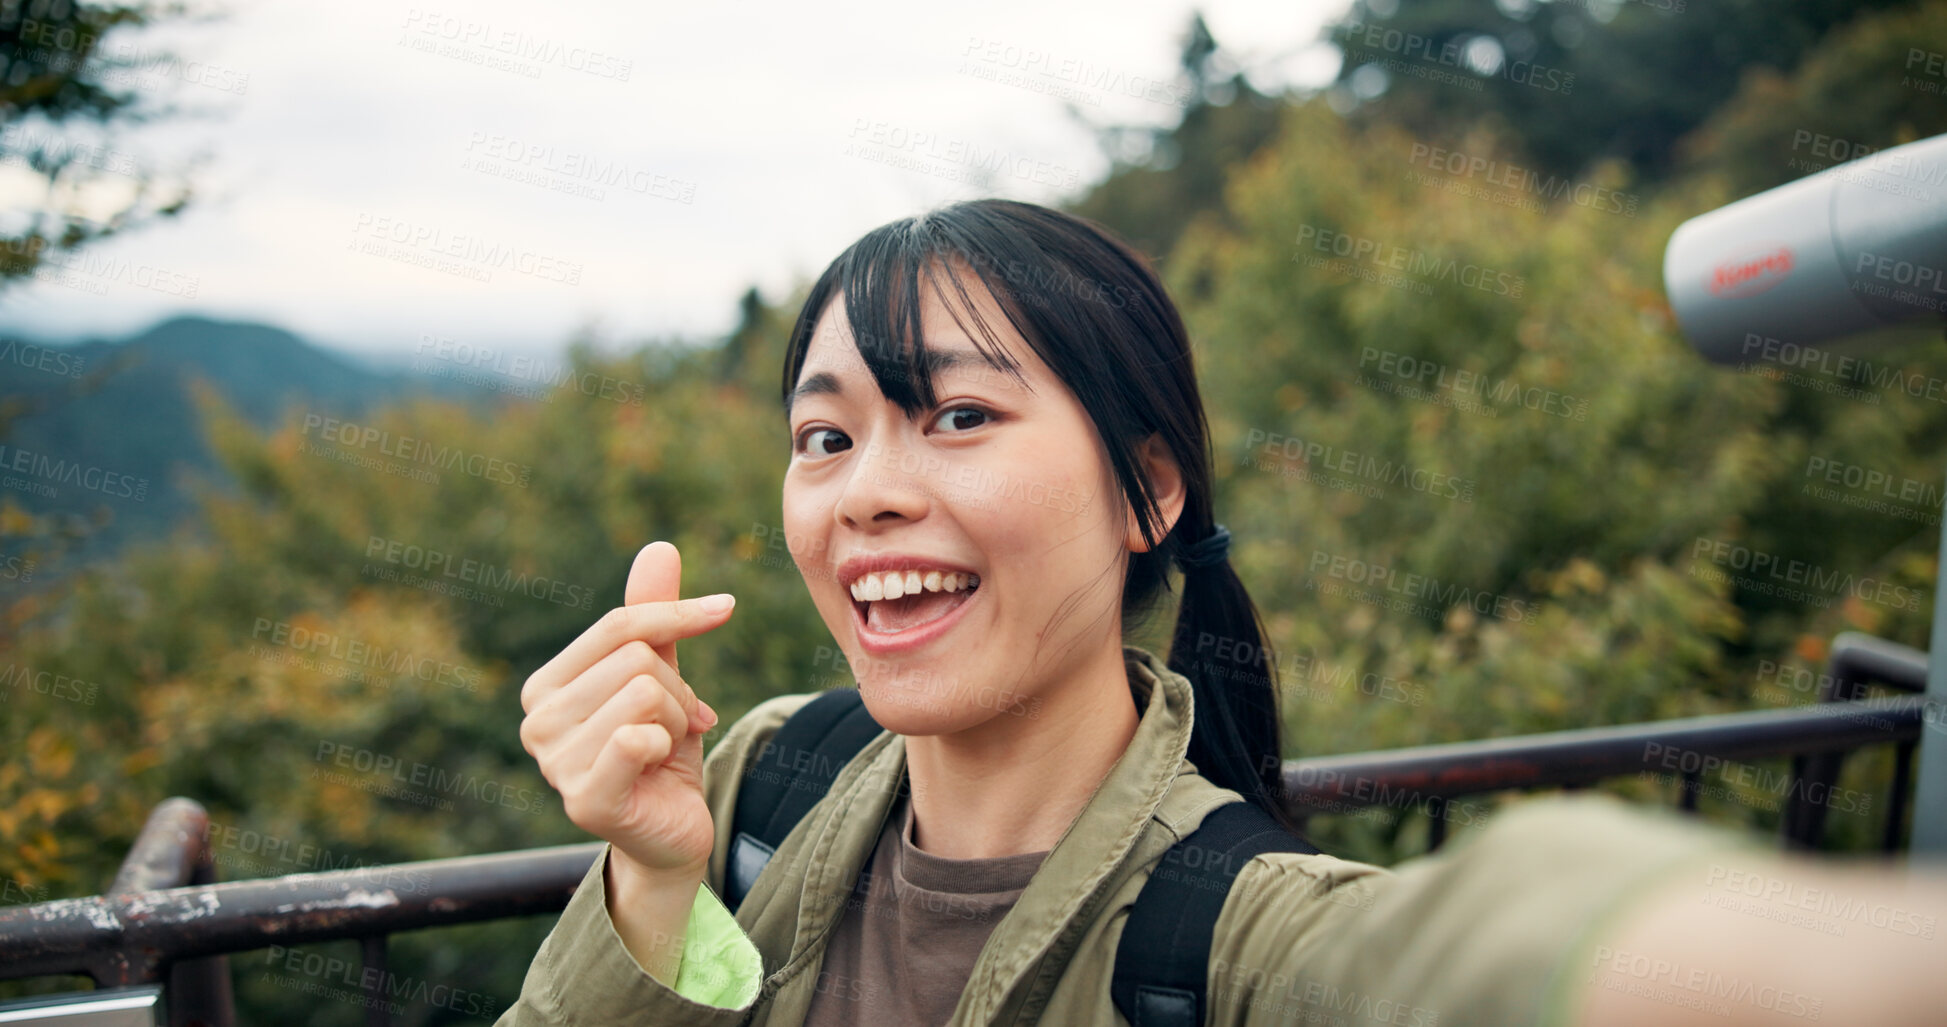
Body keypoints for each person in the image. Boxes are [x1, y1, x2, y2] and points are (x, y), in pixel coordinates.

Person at [498, 199, 1947, 1026]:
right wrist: (650, 879)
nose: (865, 494)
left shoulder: (1231, 946)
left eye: (955, 414)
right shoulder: (758, 779)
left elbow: (1464, 952)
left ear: (1148, 493)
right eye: (826, 437)